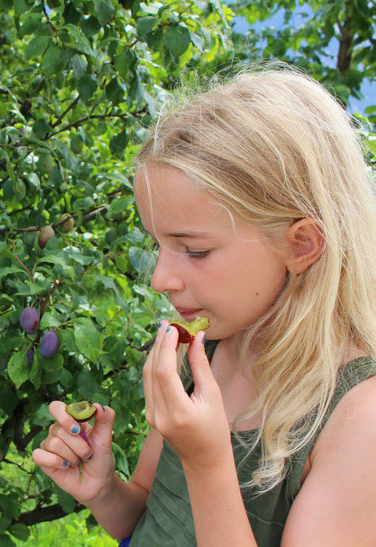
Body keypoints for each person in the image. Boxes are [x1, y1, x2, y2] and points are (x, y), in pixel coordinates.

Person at [32, 66, 376, 546]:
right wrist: (105, 491)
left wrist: (206, 461)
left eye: (194, 251)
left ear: (301, 246)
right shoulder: (215, 348)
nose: (159, 279)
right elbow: (152, 518)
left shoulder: (358, 422)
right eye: (158, 245)